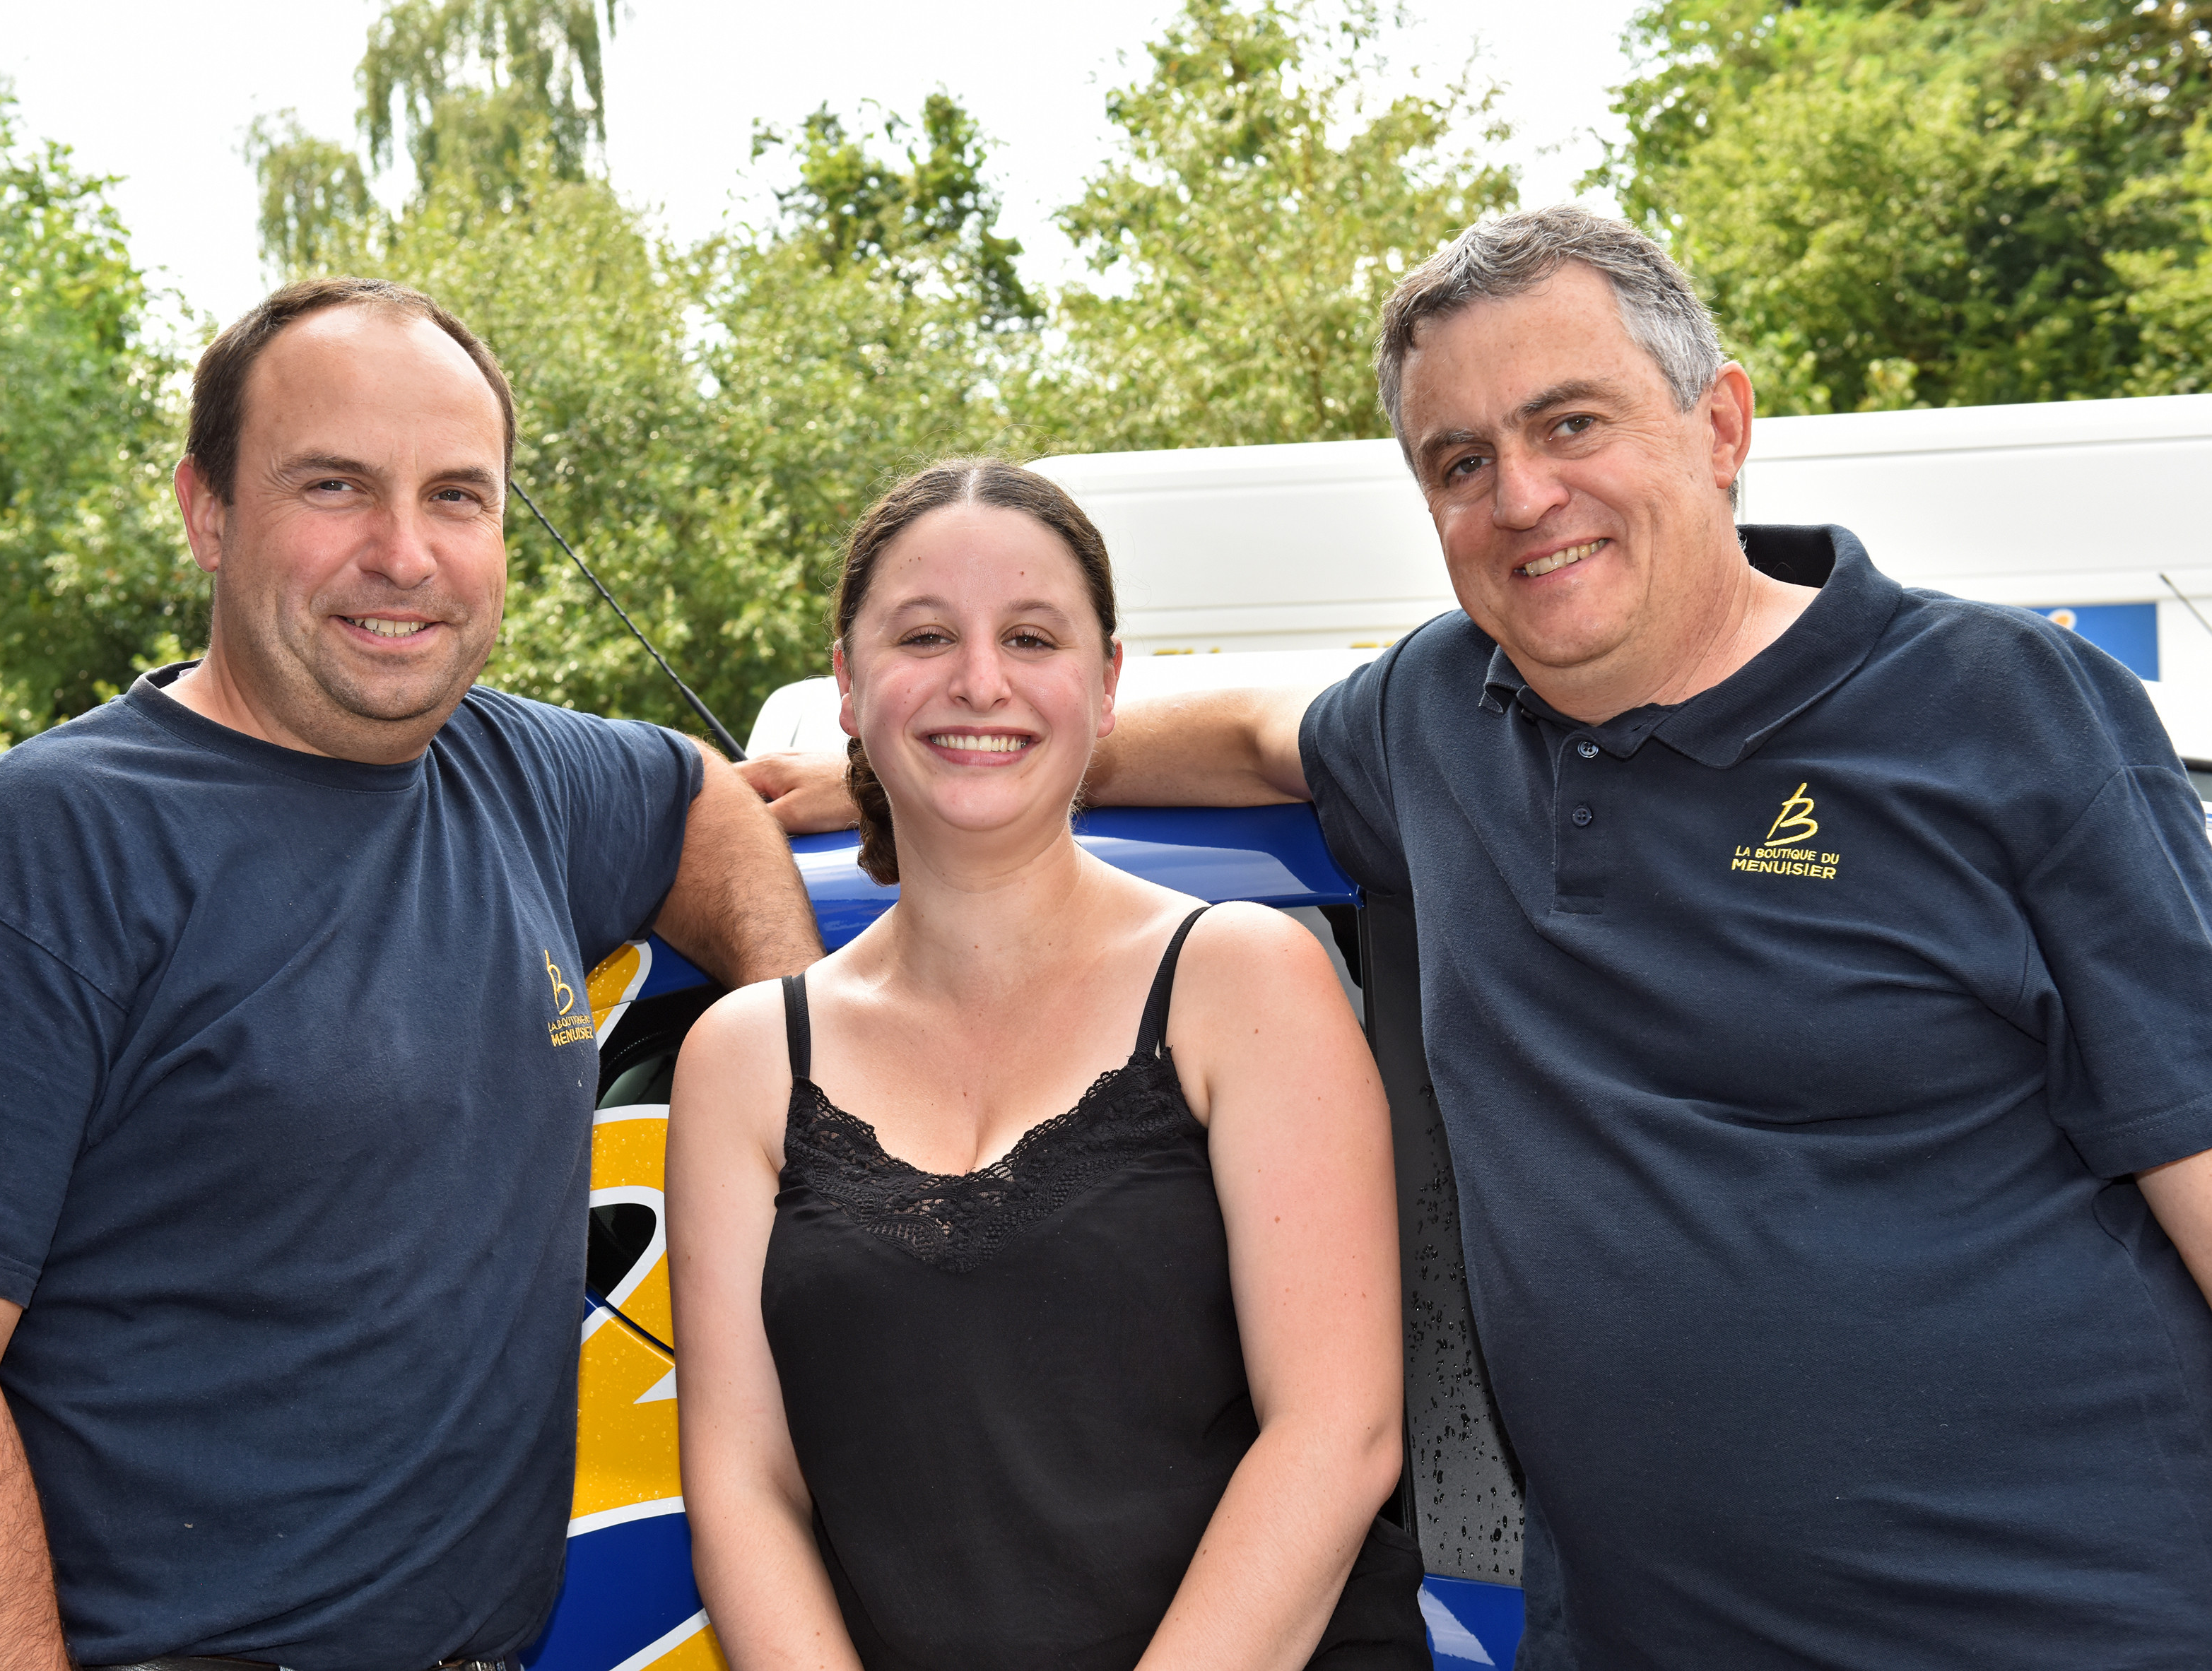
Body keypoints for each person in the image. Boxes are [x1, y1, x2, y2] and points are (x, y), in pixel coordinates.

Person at [743, 208, 2212, 1668]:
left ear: (1719, 423)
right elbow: (1256, 734)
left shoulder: (2011, 708)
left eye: (1567, 422)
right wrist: (934, 759)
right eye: (1457, 462)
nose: (1519, 496)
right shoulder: (1442, 715)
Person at [0, 276, 823, 1671]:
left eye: (458, 496)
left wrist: (799, 1060)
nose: (405, 553)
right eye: (335, 486)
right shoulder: (32, 858)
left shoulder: (510, 776)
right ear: (206, 511)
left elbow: (701, 800)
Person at [668, 459, 1430, 1671]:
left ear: (1108, 683)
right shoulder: (745, 1059)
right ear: (849, 687)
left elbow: (1339, 1433)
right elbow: (744, 1485)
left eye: (1032, 634)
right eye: (925, 634)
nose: (981, 680)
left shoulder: (1242, 979)